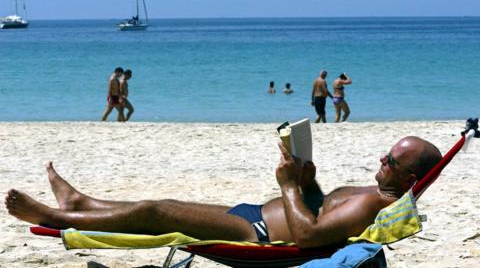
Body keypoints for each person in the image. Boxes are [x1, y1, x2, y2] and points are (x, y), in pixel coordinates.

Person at [5, 136, 441, 248]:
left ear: (408, 181)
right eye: (386, 154)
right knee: (162, 207)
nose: (380, 160)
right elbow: (322, 210)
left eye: (391, 162)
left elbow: (308, 237)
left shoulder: (374, 201)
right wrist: (309, 183)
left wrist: (289, 186)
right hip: (254, 213)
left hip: (257, 232)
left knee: (155, 211)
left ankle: (57, 219)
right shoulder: (379, 192)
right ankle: (81, 204)